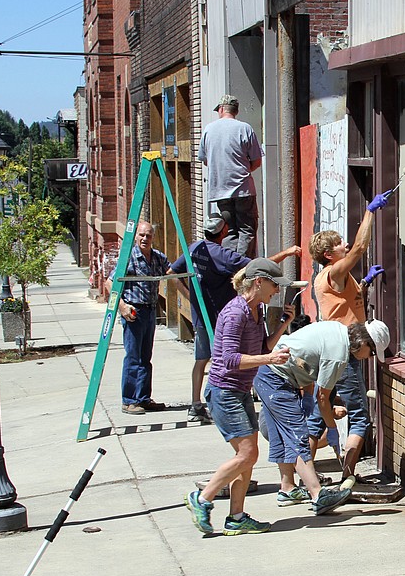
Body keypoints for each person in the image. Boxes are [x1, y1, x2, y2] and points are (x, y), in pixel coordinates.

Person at [184, 258, 294, 536]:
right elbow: (230, 359)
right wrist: (269, 359)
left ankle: (236, 517)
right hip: (224, 392)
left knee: (247, 457)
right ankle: (203, 497)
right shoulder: (235, 313)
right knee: (247, 454)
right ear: (258, 282)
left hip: (241, 391)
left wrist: (284, 324)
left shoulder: (255, 311)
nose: (276, 291)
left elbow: (262, 346)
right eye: (273, 285)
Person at [169, 215, 301, 423]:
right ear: (224, 232)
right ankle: (216, 402)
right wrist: (288, 252)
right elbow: (258, 268)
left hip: (202, 315)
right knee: (223, 360)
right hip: (222, 320)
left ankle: (195, 405)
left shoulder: (194, 248)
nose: (276, 290)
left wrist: (191, 298)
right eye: (274, 286)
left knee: (202, 360)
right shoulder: (223, 257)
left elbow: (171, 273)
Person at [254, 318, 391, 513]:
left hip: (269, 374)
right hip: (277, 379)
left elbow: (307, 363)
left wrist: (307, 396)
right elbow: (323, 398)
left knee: (280, 438)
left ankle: (287, 488)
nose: (368, 358)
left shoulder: (337, 329)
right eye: (371, 353)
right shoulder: (339, 355)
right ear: (362, 343)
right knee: (297, 438)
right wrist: (332, 428)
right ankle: (318, 495)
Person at [305, 187, 392, 477]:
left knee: (317, 417)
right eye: (339, 244)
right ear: (329, 254)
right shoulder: (334, 272)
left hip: (336, 350)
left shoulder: (338, 277)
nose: (345, 245)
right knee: (359, 418)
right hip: (343, 351)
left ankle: (299, 476)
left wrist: (365, 282)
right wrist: (370, 211)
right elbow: (359, 249)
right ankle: (348, 476)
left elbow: (344, 301)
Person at [104, 221, 170, 415]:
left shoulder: (157, 258)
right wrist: (122, 307)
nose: (145, 239)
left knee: (145, 357)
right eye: (141, 235)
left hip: (150, 312)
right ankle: (129, 400)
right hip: (134, 313)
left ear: (153, 238)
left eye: (148, 235)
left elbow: (172, 271)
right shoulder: (129, 258)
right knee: (133, 357)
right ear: (136, 237)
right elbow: (110, 283)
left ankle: (143, 398)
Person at [198, 94, 262, 256]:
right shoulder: (244, 128)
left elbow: (206, 161)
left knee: (229, 229)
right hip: (243, 190)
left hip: (219, 191)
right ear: (236, 110)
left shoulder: (208, 130)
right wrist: (241, 170)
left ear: (221, 109)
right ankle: (241, 268)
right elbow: (256, 161)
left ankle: (228, 264)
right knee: (247, 229)